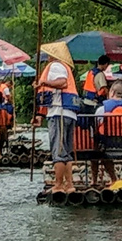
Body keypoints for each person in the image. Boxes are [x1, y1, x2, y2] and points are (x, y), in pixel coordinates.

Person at [37, 49, 81, 193]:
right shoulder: (64, 67)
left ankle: (59, 184)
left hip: (59, 112)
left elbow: (62, 83)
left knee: (59, 151)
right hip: (67, 112)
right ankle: (69, 184)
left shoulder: (56, 66)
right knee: (66, 151)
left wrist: (44, 81)